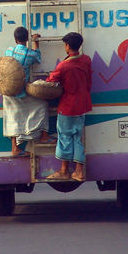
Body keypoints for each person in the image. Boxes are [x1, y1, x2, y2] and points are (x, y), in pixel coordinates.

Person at [45, 32, 92, 181]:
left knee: (65, 137)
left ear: (67, 46)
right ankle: (79, 171)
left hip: (68, 106)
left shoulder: (64, 65)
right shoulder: (86, 60)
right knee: (77, 138)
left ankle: (64, 170)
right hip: (83, 104)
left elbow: (51, 79)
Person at [2, 27, 53, 156]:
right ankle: (43, 135)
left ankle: (15, 147)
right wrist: (36, 42)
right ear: (26, 39)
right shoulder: (29, 54)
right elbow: (38, 58)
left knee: (12, 117)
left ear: (15, 39)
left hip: (7, 90)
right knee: (42, 105)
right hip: (21, 91)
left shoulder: (9, 50)